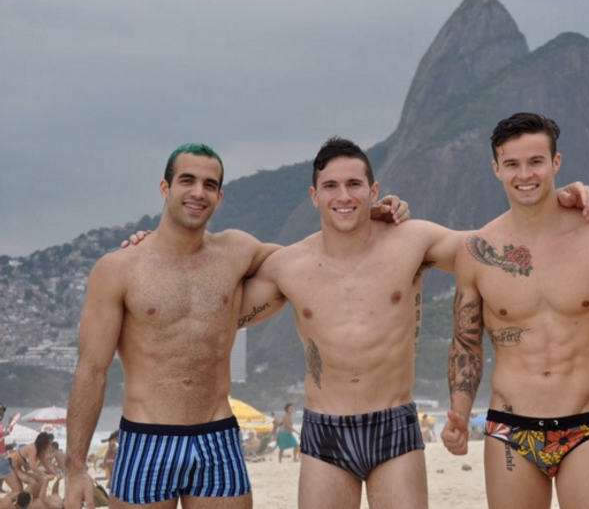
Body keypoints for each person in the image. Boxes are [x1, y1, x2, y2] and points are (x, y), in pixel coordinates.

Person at [238, 136, 589, 509]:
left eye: (354, 185)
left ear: (373, 190)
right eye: (331, 186)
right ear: (314, 196)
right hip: (325, 430)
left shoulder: (410, 242)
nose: (343, 196)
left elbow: (493, 251)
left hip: (394, 425)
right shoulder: (289, 266)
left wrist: (551, 203)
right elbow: (220, 318)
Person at [64, 142, 410, 509]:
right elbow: (92, 370)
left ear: (220, 197)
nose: (199, 192)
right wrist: (75, 468)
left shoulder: (237, 250)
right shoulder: (118, 269)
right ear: (165, 189)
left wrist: (365, 216)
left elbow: (311, 262)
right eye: (187, 181)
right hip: (147, 437)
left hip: (218, 436)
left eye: (210, 185)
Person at [441, 112, 589, 509]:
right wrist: (459, 414)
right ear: (496, 169)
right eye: (513, 164)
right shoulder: (477, 251)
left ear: (556, 163)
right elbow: (466, 343)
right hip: (510, 427)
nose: (525, 174)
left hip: (584, 423)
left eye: (536, 161)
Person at [1, 405, 23, 495]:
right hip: (1, 460)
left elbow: (5, 433)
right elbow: (4, 432)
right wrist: (8, 428)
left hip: (2, 456)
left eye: (2, 411)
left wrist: (10, 427)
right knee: (18, 490)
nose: (1, 413)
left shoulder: (0, 423)